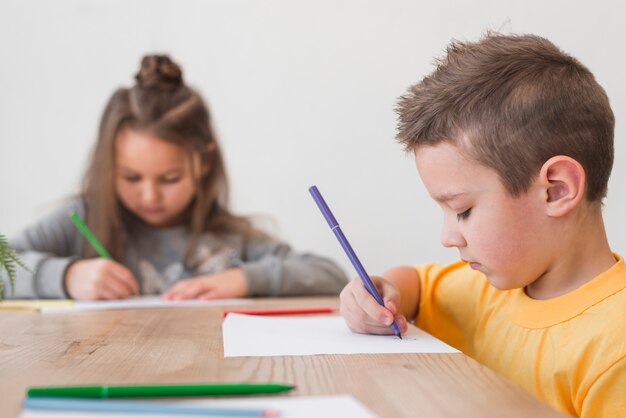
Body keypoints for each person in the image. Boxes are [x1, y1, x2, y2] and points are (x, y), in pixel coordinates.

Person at [339, 33, 625, 417]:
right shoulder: (489, 291)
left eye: (463, 210)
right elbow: (417, 286)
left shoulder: (615, 347)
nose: (446, 237)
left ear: (556, 190)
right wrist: (381, 295)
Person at [6, 55, 347, 301]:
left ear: (203, 163)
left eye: (169, 179)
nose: (150, 196)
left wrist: (245, 278)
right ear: (108, 165)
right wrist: (65, 277)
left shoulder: (228, 237)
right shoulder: (81, 219)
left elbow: (331, 275)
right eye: (130, 177)